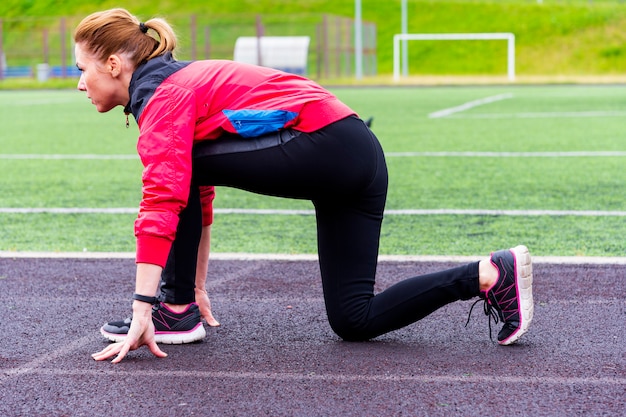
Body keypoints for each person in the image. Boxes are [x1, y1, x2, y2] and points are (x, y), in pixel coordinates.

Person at [73, 8, 534, 364]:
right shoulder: (176, 85)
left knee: (175, 175)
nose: (79, 84)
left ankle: (173, 314)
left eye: (81, 69)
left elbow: (165, 199)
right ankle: (489, 274)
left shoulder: (167, 94)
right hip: (357, 154)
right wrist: (193, 287)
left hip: (331, 146)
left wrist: (143, 308)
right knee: (354, 320)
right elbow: (199, 197)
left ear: (114, 64)